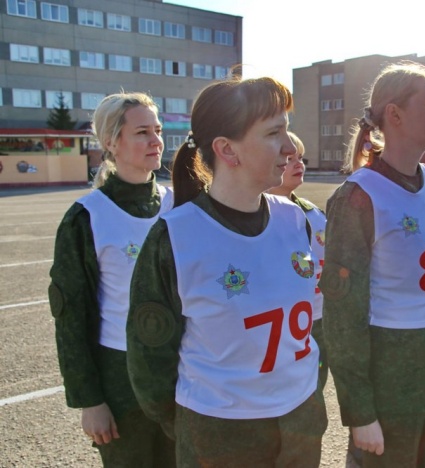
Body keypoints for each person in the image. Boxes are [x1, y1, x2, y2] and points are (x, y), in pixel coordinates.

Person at [126, 75, 327, 466]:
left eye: (286, 130)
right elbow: (150, 360)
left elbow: (314, 324)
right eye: (274, 133)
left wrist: (309, 394)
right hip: (220, 434)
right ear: (227, 150)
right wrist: (193, 427)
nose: (290, 148)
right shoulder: (175, 236)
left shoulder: (296, 220)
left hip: (300, 426)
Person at [320, 60, 425, 467]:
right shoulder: (359, 196)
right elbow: (342, 315)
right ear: (394, 114)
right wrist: (359, 411)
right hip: (394, 390)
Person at [48, 92, 176, 467]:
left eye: (157, 130)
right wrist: (90, 400)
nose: (155, 141)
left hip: (179, 371)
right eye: (142, 132)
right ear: (111, 142)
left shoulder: (179, 206)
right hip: (120, 378)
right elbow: (71, 317)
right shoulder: (87, 216)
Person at [267, 131, 328, 392]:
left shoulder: (316, 215)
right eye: (290, 158)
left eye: (300, 158)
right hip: (279, 326)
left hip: (318, 320)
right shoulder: (257, 215)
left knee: (315, 389)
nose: (298, 164)